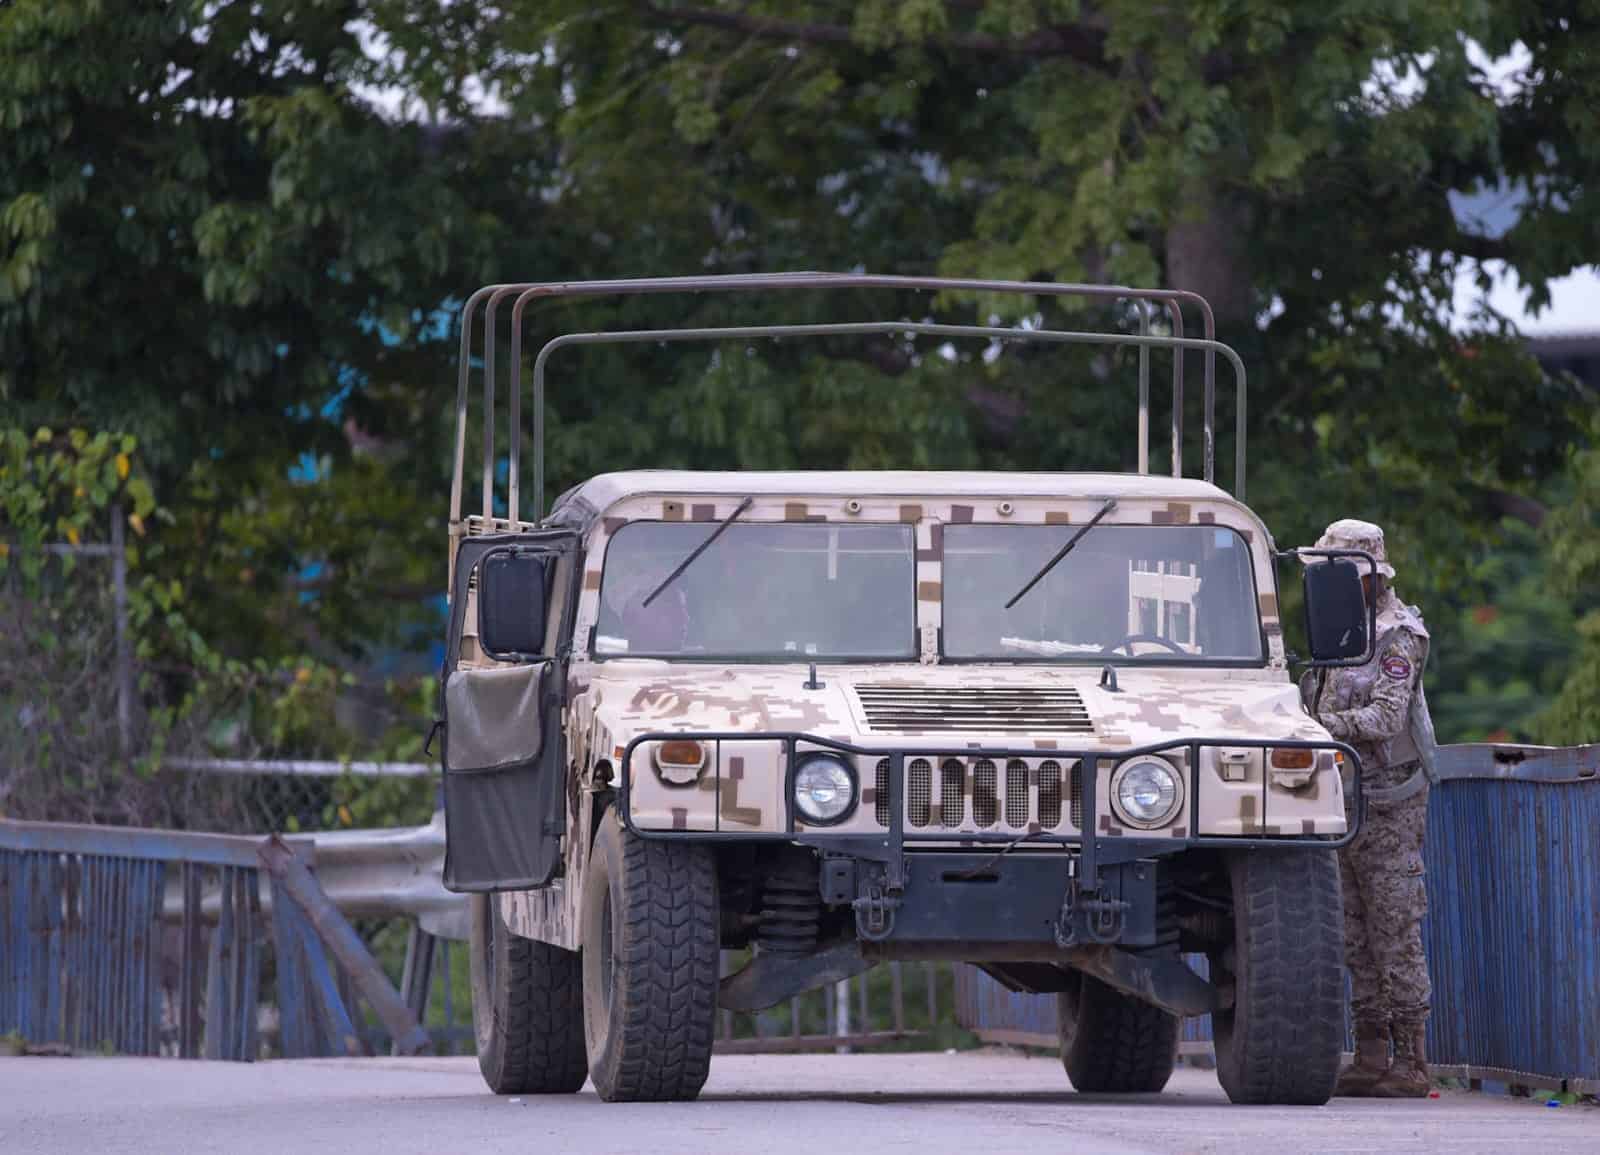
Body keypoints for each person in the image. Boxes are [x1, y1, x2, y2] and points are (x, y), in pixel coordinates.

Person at [1301, 519, 1434, 1098]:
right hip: (1345, 796)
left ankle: (1411, 1060)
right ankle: (1372, 1051)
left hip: (1388, 799)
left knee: (1393, 925)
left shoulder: (1396, 635)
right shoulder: (1340, 632)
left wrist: (1312, 728)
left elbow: (1384, 719)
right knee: (1353, 929)